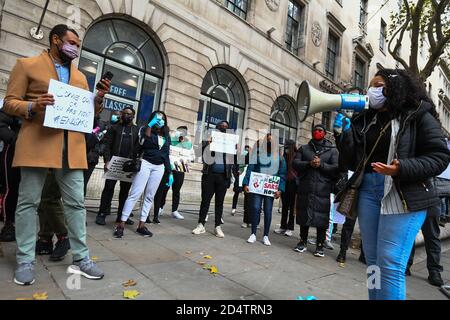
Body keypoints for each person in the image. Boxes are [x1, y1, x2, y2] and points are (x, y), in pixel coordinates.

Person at [3, 24, 109, 285]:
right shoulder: (26, 65)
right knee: (28, 202)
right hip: (37, 143)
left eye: (77, 44)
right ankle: (25, 259)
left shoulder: (81, 77)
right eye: (71, 42)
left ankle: (81, 258)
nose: (75, 47)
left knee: (76, 203)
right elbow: (9, 102)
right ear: (56, 40)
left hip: (71, 148)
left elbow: (89, 115)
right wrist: (32, 105)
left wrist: (98, 100)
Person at [334, 69, 450, 300]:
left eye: (378, 85)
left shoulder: (418, 114)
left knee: (391, 263)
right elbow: (349, 161)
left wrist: (401, 168)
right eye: (371, 86)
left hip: (402, 193)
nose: (372, 91)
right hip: (368, 190)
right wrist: (342, 135)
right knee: (373, 262)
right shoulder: (367, 118)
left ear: (394, 88)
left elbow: (439, 156)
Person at [114, 111, 172, 238]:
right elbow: (144, 143)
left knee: (150, 196)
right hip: (145, 163)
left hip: (159, 167)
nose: (160, 120)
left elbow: (166, 154)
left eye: (162, 119)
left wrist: (170, 172)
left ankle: (141, 225)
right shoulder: (145, 129)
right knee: (135, 194)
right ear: (152, 119)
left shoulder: (166, 135)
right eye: (157, 118)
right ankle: (121, 224)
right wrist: (150, 126)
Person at [293, 124, 339, 257]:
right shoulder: (304, 148)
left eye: (320, 130)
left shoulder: (332, 150)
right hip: (306, 187)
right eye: (315, 130)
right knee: (304, 215)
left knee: (322, 218)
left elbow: (336, 168)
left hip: (323, 189)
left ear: (324, 133)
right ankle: (302, 241)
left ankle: (320, 245)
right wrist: (309, 164)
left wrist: (321, 165)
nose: (317, 132)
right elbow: (295, 164)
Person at [96, 106, 138, 226]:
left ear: (133, 116)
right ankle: (102, 214)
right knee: (108, 189)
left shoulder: (136, 130)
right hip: (114, 163)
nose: (126, 115)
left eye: (129, 114)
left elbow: (137, 147)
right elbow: (107, 144)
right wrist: (107, 161)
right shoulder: (114, 128)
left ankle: (121, 216)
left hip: (128, 165)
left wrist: (135, 161)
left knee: (125, 192)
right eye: (124, 113)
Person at [192, 120, 235, 238]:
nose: (223, 128)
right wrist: (208, 142)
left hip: (223, 176)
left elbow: (234, 161)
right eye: (222, 127)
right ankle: (201, 225)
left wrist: (236, 149)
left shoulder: (230, 142)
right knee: (205, 201)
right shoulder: (209, 138)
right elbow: (198, 153)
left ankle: (217, 226)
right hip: (209, 175)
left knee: (219, 203)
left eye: (226, 127)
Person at [243, 133, 286, 246]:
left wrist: (280, 189)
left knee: (268, 211)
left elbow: (282, 174)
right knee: (255, 208)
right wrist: (246, 183)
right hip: (257, 187)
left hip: (270, 189)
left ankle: (266, 235)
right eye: (268, 140)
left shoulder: (280, 157)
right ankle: (253, 233)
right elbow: (250, 169)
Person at [152, 126, 195, 223]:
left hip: (180, 169)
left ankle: (174, 210)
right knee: (164, 188)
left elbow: (192, 157)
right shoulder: (170, 141)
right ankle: (160, 207)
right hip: (169, 169)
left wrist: (189, 160)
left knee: (177, 190)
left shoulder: (188, 144)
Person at [406, 201, 444, 287]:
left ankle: (434, 271)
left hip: (431, 198)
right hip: (413, 198)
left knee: (432, 236)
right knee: (409, 234)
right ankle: (406, 265)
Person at [35, 171, 70, 262]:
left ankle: (63, 237)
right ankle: (45, 239)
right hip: (42, 160)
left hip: (59, 161)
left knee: (50, 195)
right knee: (43, 197)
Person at [0, 109, 21, 242]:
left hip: (40, 151)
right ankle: (9, 223)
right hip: (15, 149)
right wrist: (15, 139)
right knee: (11, 188)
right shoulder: (15, 99)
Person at [274, 139, 297, 237]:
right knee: (284, 206)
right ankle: (283, 226)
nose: (286, 148)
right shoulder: (284, 156)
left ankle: (290, 227)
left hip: (293, 183)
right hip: (284, 182)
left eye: (287, 146)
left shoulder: (297, 156)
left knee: (292, 207)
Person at [232, 145, 250, 216]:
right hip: (239, 178)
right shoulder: (240, 158)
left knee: (246, 195)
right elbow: (235, 167)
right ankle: (234, 208)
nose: (246, 151)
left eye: (247, 150)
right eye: (245, 150)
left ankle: (245, 209)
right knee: (236, 193)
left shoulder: (250, 161)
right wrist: (236, 176)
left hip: (245, 179)